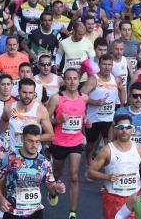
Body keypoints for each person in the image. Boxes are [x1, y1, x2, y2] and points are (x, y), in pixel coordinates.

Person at [0, 124, 66, 219]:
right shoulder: (10, 158)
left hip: (35, 212)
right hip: (13, 212)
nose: (34, 145)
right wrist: (1, 199)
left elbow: (51, 188)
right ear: (22, 139)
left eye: (37, 142)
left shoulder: (44, 163)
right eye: (30, 141)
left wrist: (57, 190)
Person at [87, 114, 141, 219]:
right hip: (113, 199)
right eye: (121, 127)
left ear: (131, 129)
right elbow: (90, 172)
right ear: (115, 130)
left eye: (127, 127)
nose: (124, 130)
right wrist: (107, 177)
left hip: (134, 198)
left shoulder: (139, 148)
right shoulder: (107, 150)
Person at [46, 68, 87, 218]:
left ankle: (72, 213)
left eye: (75, 78)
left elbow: (82, 115)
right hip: (59, 142)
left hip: (76, 142)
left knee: (74, 176)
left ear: (78, 80)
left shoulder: (84, 98)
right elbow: (45, 119)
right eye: (69, 78)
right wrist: (58, 120)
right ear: (64, 80)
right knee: (56, 175)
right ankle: (52, 191)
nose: (72, 81)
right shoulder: (56, 99)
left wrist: (85, 122)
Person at [81, 53, 125, 166]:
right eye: (104, 64)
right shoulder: (93, 80)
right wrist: (95, 102)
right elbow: (81, 96)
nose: (107, 67)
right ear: (99, 65)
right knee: (91, 145)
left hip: (109, 118)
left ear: (112, 66)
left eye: (109, 64)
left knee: (109, 143)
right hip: (94, 119)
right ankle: (89, 159)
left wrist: (122, 104)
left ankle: (109, 167)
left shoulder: (116, 80)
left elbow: (121, 89)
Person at [0, 78, 54, 151]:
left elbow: (51, 135)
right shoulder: (9, 108)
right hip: (14, 154)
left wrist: (32, 138)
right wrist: (2, 137)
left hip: (33, 155)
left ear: (34, 93)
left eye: (30, 93)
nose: (27, 96)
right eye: (24, 92)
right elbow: (4, 120)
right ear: (19, 91)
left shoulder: (41, 110)